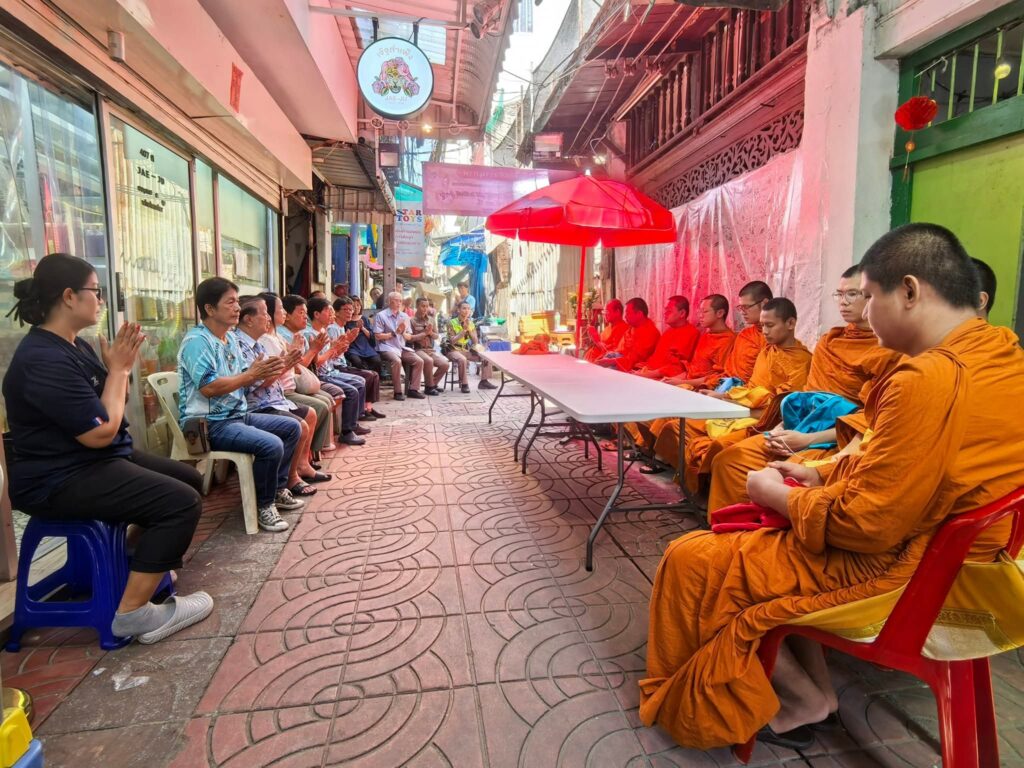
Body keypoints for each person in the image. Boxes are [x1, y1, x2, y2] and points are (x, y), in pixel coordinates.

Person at [641, 223, 1024, 750]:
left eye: (867, 296)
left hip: (918, 573)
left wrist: (779, 496)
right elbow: (909, 466)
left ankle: (793, 702)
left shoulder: (928, 379)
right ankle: (814, 693)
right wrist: (821, 474)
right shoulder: (1003, 353)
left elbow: (866, 525)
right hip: (976, 560)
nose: (860, 311)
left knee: (693, 558)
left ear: (909, 291)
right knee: (757, 529)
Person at [2, 253, 212, 644]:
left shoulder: (74, 346)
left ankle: (134, 565)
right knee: (180, 503)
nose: (101, 300)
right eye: (96, 292)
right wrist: (117, 370)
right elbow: (99, 431)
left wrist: (117, 371)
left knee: (188, 479)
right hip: (58, 478)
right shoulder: (42, 359)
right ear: (69, 296)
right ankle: (133, 613)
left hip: (95, 460)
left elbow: (110, 404)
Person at [707, 265, 903, 510]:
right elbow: (806, 399)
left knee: (781, 477)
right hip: (799, 426)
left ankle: (758, 527)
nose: (843, 302)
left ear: (874, 295)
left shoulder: (890, 351)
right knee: (729, 460)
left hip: (835, 438)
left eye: (852, 294)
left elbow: (869, 419)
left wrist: (806, 438)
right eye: (839, 294)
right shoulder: (829, 341)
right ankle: (727, 524)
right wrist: (781, 428)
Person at [179, 278, 304, 533]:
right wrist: (251, 375)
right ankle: (263, 505)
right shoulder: (197, 342)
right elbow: (209, 387)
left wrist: (274, 367)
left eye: (237, 301)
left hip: (237, 416)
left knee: (292, 428)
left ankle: (277, 489)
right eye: (230, 302)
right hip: (210, 424)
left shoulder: (230, 339)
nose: (237, 307)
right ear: (210, 308)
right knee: (271, 444)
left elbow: (248, 378)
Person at [664, 298, 812, 491]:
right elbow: (751, 387)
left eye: (769, 325)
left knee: (718, 447)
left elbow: (783, 407)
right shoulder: (766, 351)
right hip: (741, 406)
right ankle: (693, 484)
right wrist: (723, 396)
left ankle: (704, 490)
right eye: (763, 326)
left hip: (763, 420)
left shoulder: (802, 361)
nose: (764, 331)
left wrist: (734, 404)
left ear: (790, 323)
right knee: (676, 426)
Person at [234, 296, 328, 499]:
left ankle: (298, 469)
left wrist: (291, 360)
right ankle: (284, 482)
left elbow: (281, 371)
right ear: (248, 319)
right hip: (258, 404)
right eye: (265, 313)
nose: (269, 317)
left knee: (310, 413)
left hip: (274, 398)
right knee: (299, 425)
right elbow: (258, 383)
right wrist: (289, 362)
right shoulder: (241, 343)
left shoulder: (257, 343)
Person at [279, 294, 367, 446]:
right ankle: (345, 431)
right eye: (301, 312)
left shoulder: (312, 332)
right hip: (311, 378)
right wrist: (325, 349)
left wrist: (339, 347)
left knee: (360, 381)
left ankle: (348, 427)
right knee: (349, 391)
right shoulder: (304, 334)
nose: (305, 317)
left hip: (319, 374)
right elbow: (311, 364)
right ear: (317, 314)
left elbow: (321, 358)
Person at [258, 292, 336, 461]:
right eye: (281, 309)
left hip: (287, 388)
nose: (284, 313)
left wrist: (327, 349)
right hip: (281, 392)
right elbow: (295, 365)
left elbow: (298, 362)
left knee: (327, 400)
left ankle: (310, 454)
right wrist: (314, 350)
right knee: (319, 407)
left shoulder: (278, 336)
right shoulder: (267, 339)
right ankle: (304, 457)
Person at [312, 297, 385, 420]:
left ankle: (367, 408)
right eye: (345, 309)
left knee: (373, 373)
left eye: (351, 309)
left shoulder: (340, 326)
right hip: (334, 367)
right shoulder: (331, 329)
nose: (350, 312)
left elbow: (335, 351)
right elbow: (327, 356)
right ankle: (358, 415)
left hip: (336, 365)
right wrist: (342, 345)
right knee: (365, 377)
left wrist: (345, 343)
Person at [704, 281, 773, 388]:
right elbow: (728, 373)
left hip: (747, 394)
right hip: (727, 388)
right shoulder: (744, 334)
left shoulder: (775, 338)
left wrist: (728, 394)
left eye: (746, 307)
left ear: (765, 304)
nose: (742, 312)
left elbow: (763, 384)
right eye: (741, 308)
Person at [373, 290, 426, 400]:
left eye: (401, 301)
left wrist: (403, 333)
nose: (399, 303)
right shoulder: (381, 315)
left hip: (401, 347)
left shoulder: (404, 316)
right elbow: (377, 336)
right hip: (386, 347)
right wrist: (394, 333)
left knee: (419, 361)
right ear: (389, 301)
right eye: (396, 300)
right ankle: (397, 392)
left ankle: (413, 389)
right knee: (397, 361)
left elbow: (409, 336)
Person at [634, 296, 700, 379]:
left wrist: (648, 374)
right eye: (665, 310)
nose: (665, 313)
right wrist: (644, 368)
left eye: (669, 310)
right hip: (651, 372)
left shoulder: (691, 333)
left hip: (665, 379)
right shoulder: (668, 331)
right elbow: (656, 358)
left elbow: (677, 367)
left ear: (682, 313)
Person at [595, 297, 660, 371]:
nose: (625, 317)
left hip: (634, 367)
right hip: (621, 360)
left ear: (639, 314)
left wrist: (613, 361)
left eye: (628, 313)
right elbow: (620, 350)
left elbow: (634, 359)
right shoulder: (631, 328)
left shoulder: (650, 333)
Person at [446, 300, 496, 392]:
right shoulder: (451, 322)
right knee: (462, 359)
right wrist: (463, 331)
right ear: (458, 310)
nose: (466, 311)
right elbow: (452, 341)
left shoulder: (471, 323)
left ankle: (484, 381)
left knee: (486, 357)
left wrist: (469, 329)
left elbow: (475, 341)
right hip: (452, 350)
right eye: (464, 308)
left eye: (468, 309)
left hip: (465, 350)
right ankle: (464, 384)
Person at [409, 296, 450, 395]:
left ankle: (432, 384)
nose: (425, 308)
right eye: (423, 306)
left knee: (445, 364)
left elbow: (436, 336)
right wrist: (424, 333)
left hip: (430, 350)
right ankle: (429, 387)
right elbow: (410, 338)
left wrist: (430, 333)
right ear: (417, 306)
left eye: (427, 306)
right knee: (428, 361)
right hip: (417, 349)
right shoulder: (411, 321)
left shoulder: (431, 320)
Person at [343, 296, 383, 374]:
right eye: (353, 306)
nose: (356, 307)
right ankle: (364, 377)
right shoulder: (347, 320)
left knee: (377, 360)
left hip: (366, 347)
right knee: (356, 361)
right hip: (353, 347)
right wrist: (356, 329)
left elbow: (371, 336)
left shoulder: (364, 319)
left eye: (358, 305)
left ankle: (373, 378)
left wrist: (362, 328)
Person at [583, 299, 628, 364]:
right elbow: (599, 343)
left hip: (600, 364)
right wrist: (592, 338)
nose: (604, 315)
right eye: (604, 312)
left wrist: (597, 340)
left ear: (617, 312)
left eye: (607, 312)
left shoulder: (624, 328)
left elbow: (612, 353)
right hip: (590, 360)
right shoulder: (607, 328)